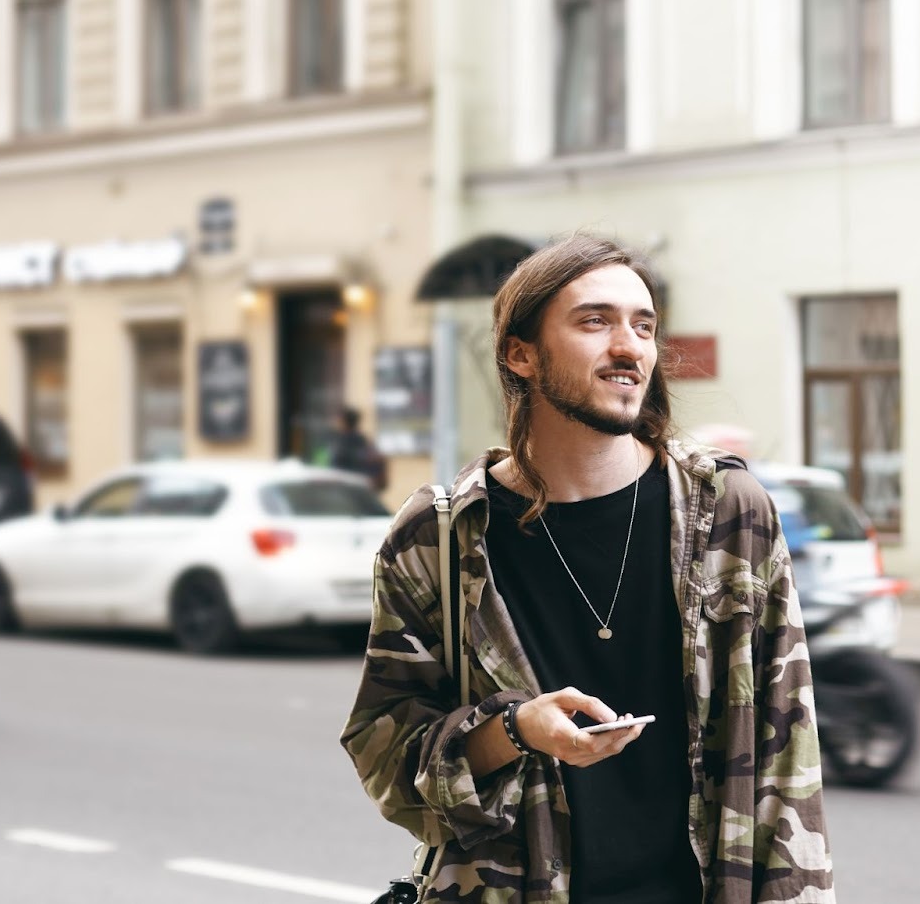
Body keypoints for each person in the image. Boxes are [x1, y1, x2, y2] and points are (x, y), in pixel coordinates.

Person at [341, 234, 833, 903]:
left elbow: (787, 766)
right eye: (595, 321)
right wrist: (513, 730)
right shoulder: (441, 535)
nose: (630, 347)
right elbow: (387, 758)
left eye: (644, 326)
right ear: (521, 353)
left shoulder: (727, 513)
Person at [328, 406, 388, 492]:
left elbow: (335, 468)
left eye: (338, 420)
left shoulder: (342, 443)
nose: (336, 423)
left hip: (347, 489)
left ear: (344, 422)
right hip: (363, 489)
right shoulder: (364, 441)